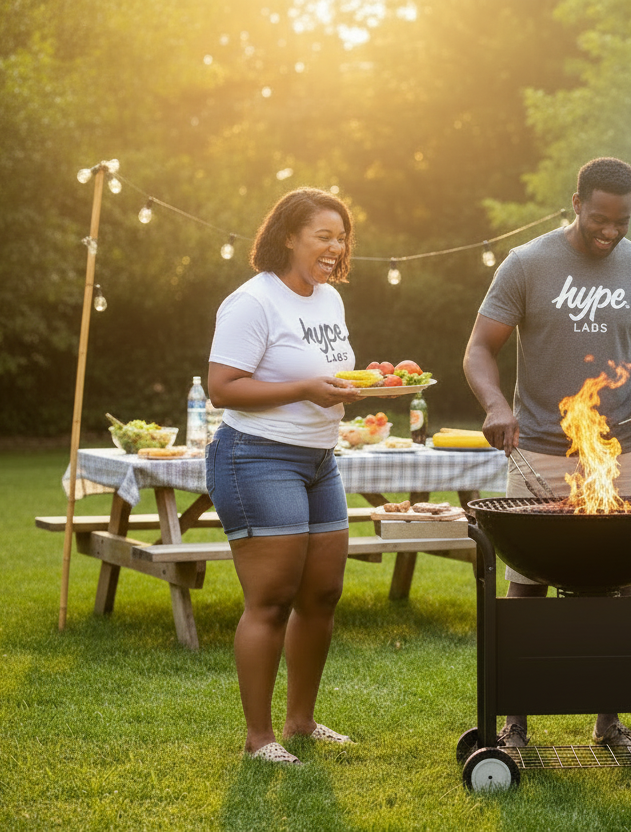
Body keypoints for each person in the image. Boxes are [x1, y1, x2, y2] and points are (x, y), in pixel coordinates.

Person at [462, 157, 631, 754]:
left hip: (620, 449)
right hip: (540, 449)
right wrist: (493, 405)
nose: (610, 232)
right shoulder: (528, 264)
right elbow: (480, 348)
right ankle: (516, 724)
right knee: (526, 583)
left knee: (620, 581)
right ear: (576, 202)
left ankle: (610, 723)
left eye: (623, 221)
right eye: (600, 219)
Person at [205, 187, 364, 764]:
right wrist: (303, 388)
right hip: (257, 457)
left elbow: (328, 373)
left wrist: (356, 388)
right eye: (323, 235)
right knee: (271, 600)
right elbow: (222, 387)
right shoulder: (253, 302)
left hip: (320, 459)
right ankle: (259, 739)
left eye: (341, 237)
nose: (335, 246)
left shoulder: (328, 300)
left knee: (321, 595)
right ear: (289, 236)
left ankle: (300, 723)